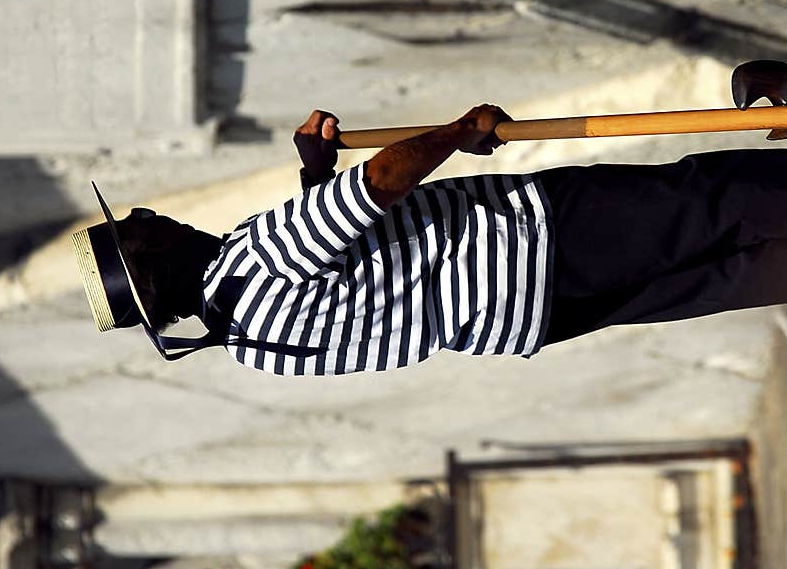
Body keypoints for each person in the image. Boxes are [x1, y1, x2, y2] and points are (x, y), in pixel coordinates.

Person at [74, 106, 787, 375]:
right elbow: (380, 183)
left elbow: (342, 278)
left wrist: (314, 175)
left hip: (527, 317)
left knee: (724, 276)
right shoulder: (253, 256)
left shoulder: (253, 346)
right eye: (144, 225)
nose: (156, 217)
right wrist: (460, 133)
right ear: (153, 256)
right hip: (533, 240)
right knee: (709, 201)